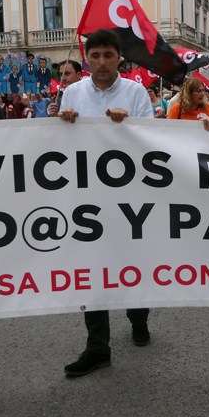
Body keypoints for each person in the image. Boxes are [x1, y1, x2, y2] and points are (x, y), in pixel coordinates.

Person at [55, 29, 153, 377]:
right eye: (94, 56)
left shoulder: (136, 91)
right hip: (86, 199)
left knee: (130, 265)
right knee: (92, 271)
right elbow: (61, 147)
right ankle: (97, 347)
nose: (101, 62)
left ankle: (139, 316)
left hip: (127, 198)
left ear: (119, 58)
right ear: (87, 58)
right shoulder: (72, 92)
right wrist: (62, 122)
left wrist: (129, 124)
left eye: (108, 55)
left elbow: (153, 140)